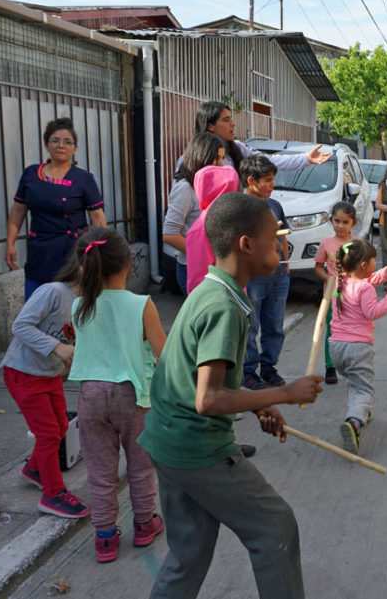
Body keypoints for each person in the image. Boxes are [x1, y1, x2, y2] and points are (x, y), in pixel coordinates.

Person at [138, 192, 323, 599]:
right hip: (197, 448)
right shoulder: (225, 307)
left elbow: (196, 378)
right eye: (274, 238)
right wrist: (284, 393)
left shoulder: (211, 289)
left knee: (190, 550)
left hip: (166, 440)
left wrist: (259, 405)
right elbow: (207, 399)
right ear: (246, 244)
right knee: (275, 527)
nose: (282, 246)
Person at [67, 228, 166, 563]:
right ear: (129, 264)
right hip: (133, 396)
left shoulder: (79, 305)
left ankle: (105, 537)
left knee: (100, 470)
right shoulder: (141, 304)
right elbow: (163, 354)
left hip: (91, 395)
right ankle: (144, 524)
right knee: (140, 466)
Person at [0, 260, 89, 519]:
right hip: (23, 372)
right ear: (83, 266)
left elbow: (73, 340)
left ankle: (35, 470)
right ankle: (53, 493)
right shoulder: (53, 291)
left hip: (49, 374)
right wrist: (56, 348)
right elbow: (20, 326)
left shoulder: (85, 302)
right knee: (49, 434)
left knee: (60, 426)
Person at [6, 118, 107, 300]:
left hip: (73, 254)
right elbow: (18, 210)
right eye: (55, 140)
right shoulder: (31, 174)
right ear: (46, 144)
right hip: (40, 252)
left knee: (72, 309)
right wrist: (10, 243)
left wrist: (98, 251)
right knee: (37, 304)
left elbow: (98, 218)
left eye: (68, 142)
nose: (61, 145)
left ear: (75, 148)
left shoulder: (84, 179)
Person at [329, 239, 387, 454]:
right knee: (363, 389)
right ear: (363, 265)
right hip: (358, 348)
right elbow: (372, 312)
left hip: (336, 346)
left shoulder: (339, 282)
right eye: (373, 260)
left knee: (354, 383)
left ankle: (360, 412)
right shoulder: (364, 288)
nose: (375, 263)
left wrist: (384, 274)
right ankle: (354, 422)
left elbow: (366, 281)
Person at [240, 155, 292, 389]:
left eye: (273, 180)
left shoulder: (274, 205)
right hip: (254, 276)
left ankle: (269, 366)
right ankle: (248, 371)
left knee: (275, 324)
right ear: (251, 180)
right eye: (268, 180)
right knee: (251, 325)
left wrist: (286, 262)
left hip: (278, 273)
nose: (272, 185)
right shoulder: (240, 208)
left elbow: (284, 235)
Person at [163, 133, 225, 294]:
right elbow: (169, 234)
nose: (221, 164)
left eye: (222, 159)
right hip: (193, 270)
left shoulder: (215, 185)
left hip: (217, 269)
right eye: (216, 159)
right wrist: (201, 254)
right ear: (201, 158)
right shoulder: (185, 188)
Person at [187, 101, 330, 171]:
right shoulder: (190, 161)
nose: (233, 124)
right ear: (210, 126)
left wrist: (305, 158)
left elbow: (269, 161)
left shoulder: (238, 148)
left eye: (231, 118)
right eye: (226, 120)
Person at [315, 202, 359, 386]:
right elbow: (318, 267)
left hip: (353, 296)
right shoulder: (326, 243)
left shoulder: (357, 245)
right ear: (331, 221)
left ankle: (351, 365)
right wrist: (327, 278)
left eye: (345, 222)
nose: (340, 225)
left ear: (353, 223)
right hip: (332, 295)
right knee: (331, 331)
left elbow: (364, 270)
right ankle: (330, 366)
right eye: (336, 221)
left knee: (353, 330)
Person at [185, 164, 241, 293]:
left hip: (217, 298)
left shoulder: (201, 227)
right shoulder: (238, 218)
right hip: (231, 297)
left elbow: (196, 280)